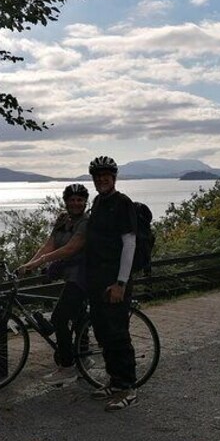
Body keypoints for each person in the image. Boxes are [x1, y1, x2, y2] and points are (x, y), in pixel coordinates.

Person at [18, 183, 90, 385]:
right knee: (79, 318)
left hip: (83, 277)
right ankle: (84, 359)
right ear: (66, 202)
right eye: (72, 200)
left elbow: (70, 249)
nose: (76, 203)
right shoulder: (62, 220)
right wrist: (29, 264)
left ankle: (66, 367)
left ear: (85, 202)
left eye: (80, 200)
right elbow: (49, 245)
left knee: (59, 318)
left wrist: (41, 262)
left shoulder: (86, 222)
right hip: (71, 276)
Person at [85, 155, 139, 411]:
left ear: (114, 178)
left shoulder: (122, 203)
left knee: (118, 333)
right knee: (103, 333)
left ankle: (128, 387)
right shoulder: (97, 202)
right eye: (97, 176)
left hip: (115, 279)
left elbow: (129, 244)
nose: (101, 179)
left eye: (106, 176)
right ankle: (114, 381)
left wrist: (121, 282)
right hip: (96, 278)